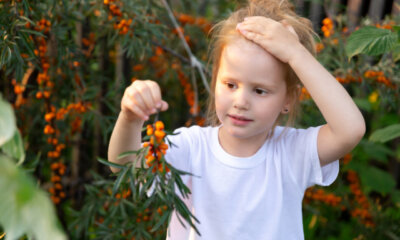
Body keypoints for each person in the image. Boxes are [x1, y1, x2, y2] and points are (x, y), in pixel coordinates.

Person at [108, 0, 366, 239]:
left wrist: (295, 54)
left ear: (288, 99)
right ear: (215, 80)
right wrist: (130, 118)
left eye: (259, 90)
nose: (241, 101)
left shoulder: (290, 154)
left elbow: (350, 130)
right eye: (230, 84)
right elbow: (127, 168)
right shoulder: (191, 148)